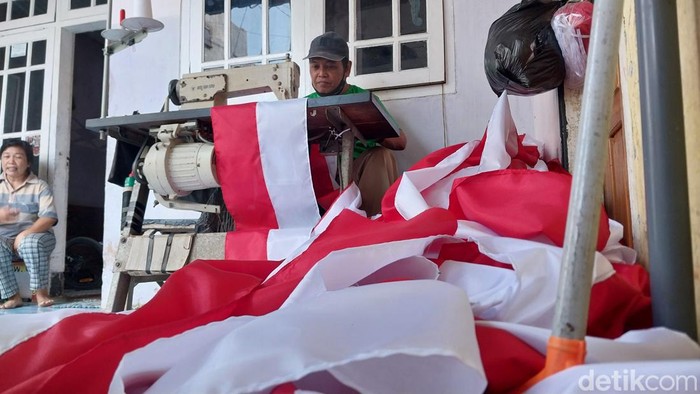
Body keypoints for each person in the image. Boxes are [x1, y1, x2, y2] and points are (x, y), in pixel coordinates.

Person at [305, 31, 407, 216]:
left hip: (357, 178)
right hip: (318, 183)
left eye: (330, 66)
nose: (321, 74)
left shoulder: (362, 99)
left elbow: (400, 142)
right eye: (315, 66)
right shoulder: (302, 106)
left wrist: (367, 121)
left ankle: (374, 229)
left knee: (381, 156)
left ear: (347, 69)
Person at [0, 140, 58, 309]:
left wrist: (25, 233)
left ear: (28, 163)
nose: (11, 161)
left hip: (37, 236)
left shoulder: (39, 186)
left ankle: (40, 294)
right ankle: (12, 296)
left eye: (18, 157)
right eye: (6, 157)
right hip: (4, 239)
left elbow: (49, 218)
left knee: (31, 243)